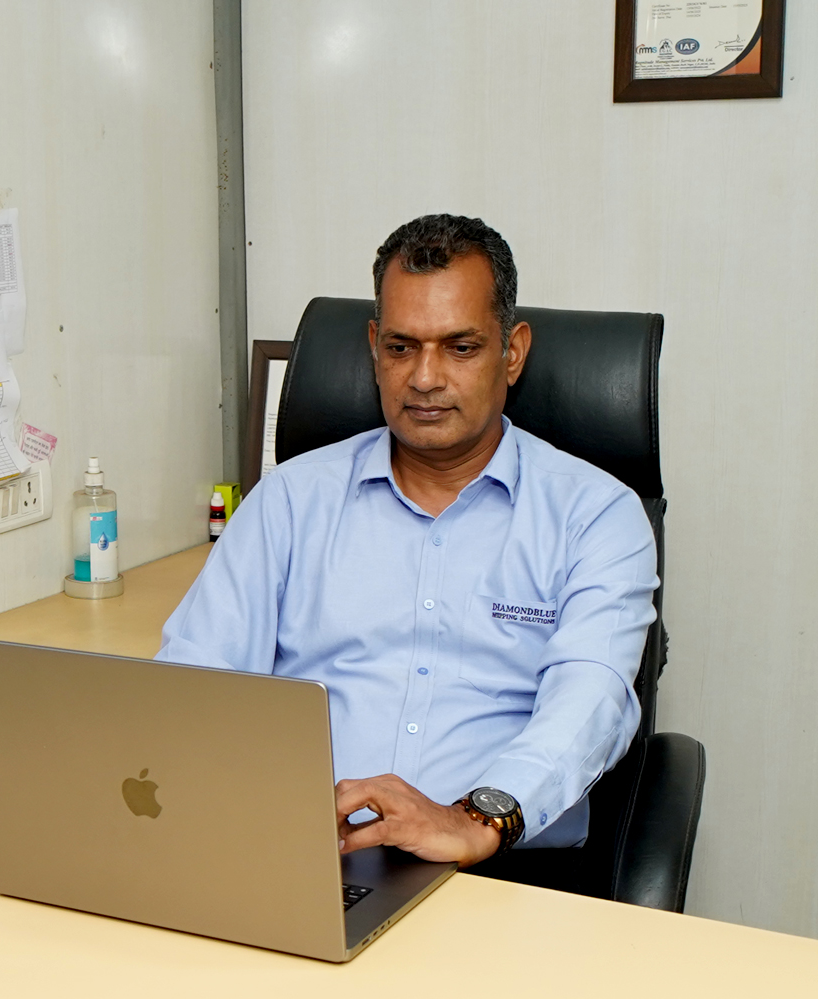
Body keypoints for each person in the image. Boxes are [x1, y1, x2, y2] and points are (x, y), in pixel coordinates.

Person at [157, 213, 657, 875]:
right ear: (374, 347)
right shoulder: (290, 500)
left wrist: (473, 820)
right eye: (401, 347)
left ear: (512, 352)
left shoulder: (595, 515)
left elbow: (591, 700)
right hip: (303, 857)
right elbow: (195, 681)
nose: (424, 377)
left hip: (498, 870)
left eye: (460, 347)